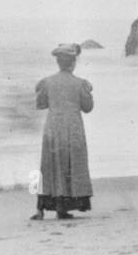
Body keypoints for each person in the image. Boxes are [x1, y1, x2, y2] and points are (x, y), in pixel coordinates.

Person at [33, 43, 94, 220]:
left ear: (58, 62)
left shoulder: (47, 82)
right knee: (71, 164)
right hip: (73, 126)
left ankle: (42, 207)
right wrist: (88, 93)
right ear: (73, 63)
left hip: (53, 126)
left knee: (49, 165)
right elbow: (88, 108)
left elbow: (40, 104)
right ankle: (64, 207)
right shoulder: (80, 83)